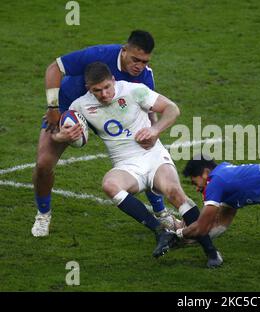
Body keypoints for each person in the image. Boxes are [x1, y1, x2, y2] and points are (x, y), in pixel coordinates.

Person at [52, 62, 222, 268]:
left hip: (153, 156)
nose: (104, 94)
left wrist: (155, 129)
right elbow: (65, 135)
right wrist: (63, 136)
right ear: (89, 89)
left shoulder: (134, 91)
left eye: (107, 87)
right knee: (110, 185)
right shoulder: (80, 106)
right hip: (126, 165)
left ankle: (211, 252)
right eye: (97, 90)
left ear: (113, 80)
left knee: (176, 193)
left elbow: (172, 109)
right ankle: (160, 232)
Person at [32, 30, 169, 237]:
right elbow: (54, 68)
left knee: (146, 152)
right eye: (135, 59)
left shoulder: (145, 77)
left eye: (144, 61)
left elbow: (149, 111)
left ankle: (161, 212)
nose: (138, 66)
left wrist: (153, 132)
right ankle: (43, 215)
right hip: (69, 110)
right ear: (124, 50)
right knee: (43, 163)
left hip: (111, 117)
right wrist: (53, 109)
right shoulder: (98, 55)